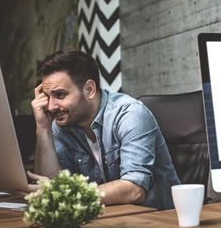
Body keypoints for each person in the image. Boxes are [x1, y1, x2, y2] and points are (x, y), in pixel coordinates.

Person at [30, 49, 181, 210]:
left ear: (89, 90)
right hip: (110, 222)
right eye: (47, 97)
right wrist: (42, 128)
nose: (51, 107)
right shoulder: (61, 125)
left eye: (60, 95)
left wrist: (67, 193)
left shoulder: (129, 114)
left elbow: (135, 190)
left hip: (160, 220)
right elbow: (48, 188)